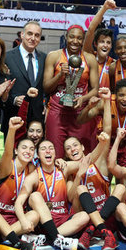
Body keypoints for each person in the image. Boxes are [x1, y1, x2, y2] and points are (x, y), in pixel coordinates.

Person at [61, 87, 121, 250]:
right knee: (80, 188)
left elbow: (107, 130)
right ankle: (102, 232)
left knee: (120, 187)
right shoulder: (69, 172)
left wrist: (107, 101)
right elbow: (71, 199)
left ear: (82, 147)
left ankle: (99, 229)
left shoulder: (98, 162)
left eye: (75, 145)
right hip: (85, 220)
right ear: (66, 154)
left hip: (105, 216)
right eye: (68, 148)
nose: (72, 149)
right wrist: (79, 175)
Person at [9, 139, 84, 250]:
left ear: (55, 154)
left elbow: (86, 161)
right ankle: (57, 238)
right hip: (43, 222)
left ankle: (48, 238)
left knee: (84, 216)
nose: (48, 151)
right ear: (38, 156)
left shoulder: (63, 168)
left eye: (51, 148)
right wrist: (23, 220)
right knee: (35, 196)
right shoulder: (33, 176)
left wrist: (103, 143)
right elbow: (18, 203)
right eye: (43, 149)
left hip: (62, 220)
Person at [43, 25, 100, 158]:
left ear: (83, 40)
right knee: (55, 155)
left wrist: (83, 98)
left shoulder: (90, 59)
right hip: (57, 112)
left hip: (80, 113)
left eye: (79, 38)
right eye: (72, 37)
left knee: (80, 156)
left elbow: (95, 89)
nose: (75, 41)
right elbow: (46, 87)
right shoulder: (54, 56)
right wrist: (60, 75)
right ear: (66, 37)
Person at [0, 116, 40, 250]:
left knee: (35, 215)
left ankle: (5, 240)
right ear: (16, 151)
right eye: (24, 148)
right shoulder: (7, 166)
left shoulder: (31, 170)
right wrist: (11, 130)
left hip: (14, 219)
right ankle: (14, 240)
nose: (28, 151)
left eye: (31, 149)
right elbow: (7, 153)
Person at [77, 78, 126, 167]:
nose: (125, 99)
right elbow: (80, 120)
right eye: (121, 95)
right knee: (104, 172)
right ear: (115, 95)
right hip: (107, 143)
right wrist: (88, 107)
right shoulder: (105, 102)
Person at [4, 21, 46, 126]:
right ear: (22, 35)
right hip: (14, 114)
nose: (33, 38)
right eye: (29, 34)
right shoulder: (7, 57)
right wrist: (13, 99)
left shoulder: (44, 58)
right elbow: (0, 85)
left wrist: (46, 102)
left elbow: (46, 86)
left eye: (37, 35)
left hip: (37, 117)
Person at [83, 0, 117, 91]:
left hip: (105, 99)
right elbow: (90, 30)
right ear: (95, 44)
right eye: (102, 42)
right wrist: (104, 8)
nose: (105, 45)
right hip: (87, 99)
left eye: (108, 42)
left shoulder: (114, 64)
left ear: (111, 46)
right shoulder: (90, 56)